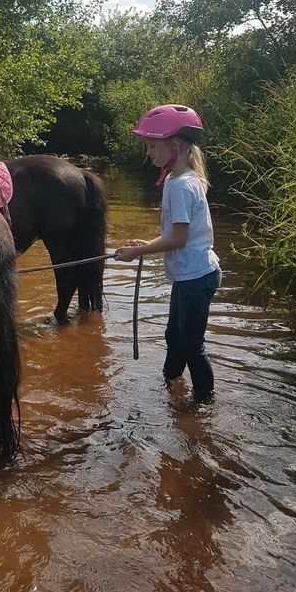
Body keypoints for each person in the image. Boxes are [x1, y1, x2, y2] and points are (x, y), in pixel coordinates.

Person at [115, 104, 221, 403]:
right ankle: (170, 387)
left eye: (151, 146)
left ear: (175, 146)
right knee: (174, 338)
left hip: (196, 278)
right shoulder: (178, 179)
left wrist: (140, 251)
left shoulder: (180, 184)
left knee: (191, 346)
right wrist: (145, 244)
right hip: (192, 275)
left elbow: (179, 237)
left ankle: (203, 405)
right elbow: (178, 235)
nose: (148, 152)